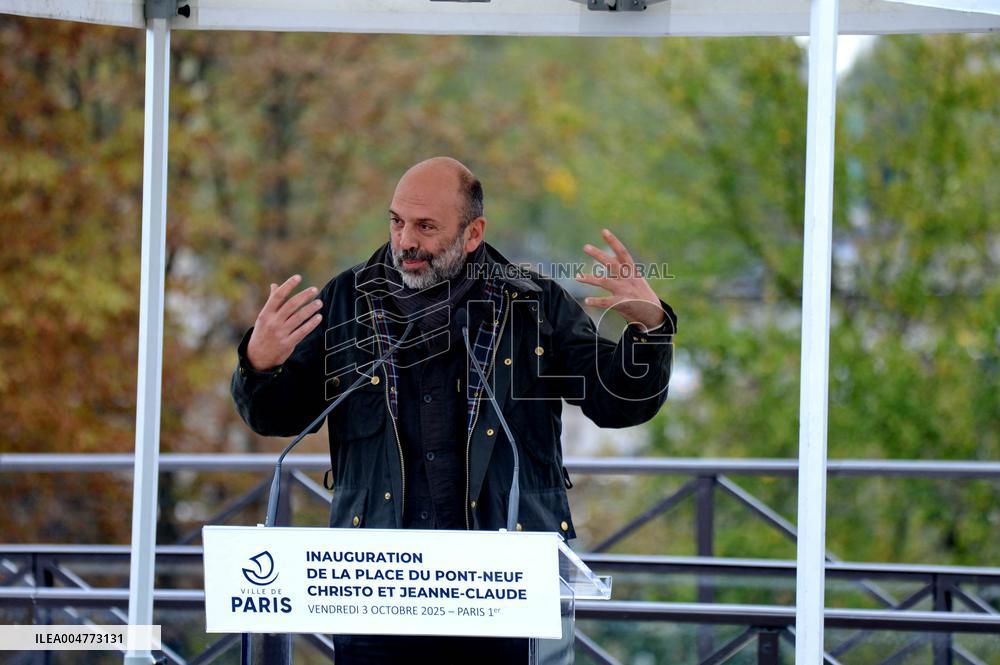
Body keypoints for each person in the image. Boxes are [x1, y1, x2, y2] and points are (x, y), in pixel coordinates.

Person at [230, 156, 677, 664]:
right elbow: (276, 418)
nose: (406, 241)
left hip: (504, 593)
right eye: (396, 221)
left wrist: (649, 330)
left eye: (425, 226)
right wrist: (259, 365)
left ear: (472, 233)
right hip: (378, 590)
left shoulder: (534, 305)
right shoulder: (346, 303)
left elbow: (617, 402)